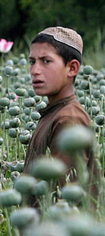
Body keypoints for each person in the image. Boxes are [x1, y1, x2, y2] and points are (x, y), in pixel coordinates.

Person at [23, 26, 100, 207]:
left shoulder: (68, 120)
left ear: (72, 68)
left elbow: (64, 197)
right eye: (32, 62)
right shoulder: (54, 113)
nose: (35, 70)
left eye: (46, 61)